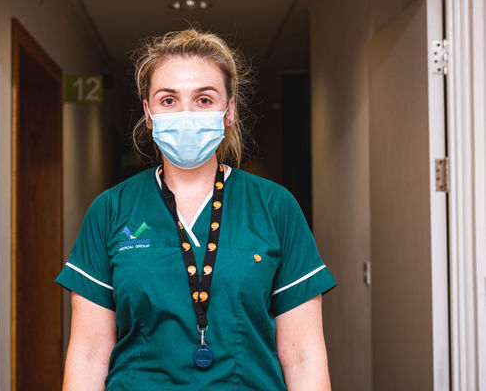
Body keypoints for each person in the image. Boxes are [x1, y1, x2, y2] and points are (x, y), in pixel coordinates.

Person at [55, 28, 338, 390]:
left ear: (229, 110)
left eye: (204, 100)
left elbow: (304, 356)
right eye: (168, 100)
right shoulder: (111, 210)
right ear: (148, 113)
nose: (186, 114)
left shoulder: (274, 206)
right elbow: (89, 353)